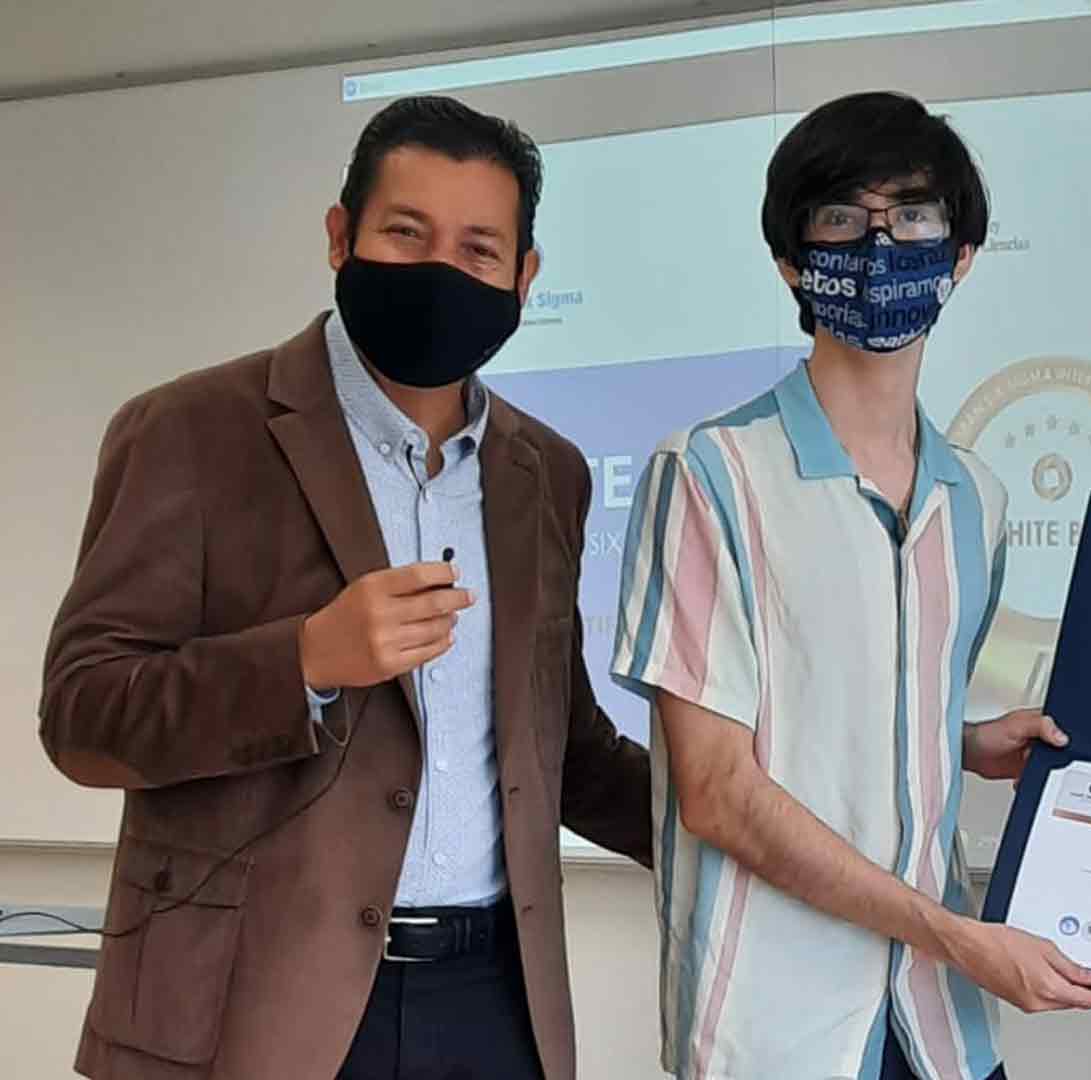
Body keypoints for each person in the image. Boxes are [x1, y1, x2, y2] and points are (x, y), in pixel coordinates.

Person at [39, 95, 653, 1080]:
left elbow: (564, 748)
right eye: (406, 235)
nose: (442, 271)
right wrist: (304, 660)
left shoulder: (551, 473)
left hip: (493, 1007)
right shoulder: (190, 432)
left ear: (524, 277)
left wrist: (745, 827)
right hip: (250, 1010)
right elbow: (83, 715)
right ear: (341, 236)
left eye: (479, 250)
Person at [610, 91, 1091, 1080]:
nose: (883, 245)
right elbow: (718, 791)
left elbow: (847, 711)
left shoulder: (978, 496)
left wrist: (961, 744)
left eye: (915, 217)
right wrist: (957, 936)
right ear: (793, 259)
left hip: (940, 1033)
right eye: (843, 217)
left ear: (960, 255)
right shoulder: (712, 473)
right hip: (774, 1034)